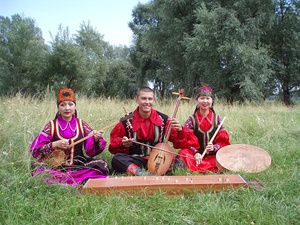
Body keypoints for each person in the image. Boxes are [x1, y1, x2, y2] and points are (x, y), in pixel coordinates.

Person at [109, 86, 199, 176]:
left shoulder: (163, 119)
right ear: (137, 100)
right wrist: (122, 143)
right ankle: (141, 173)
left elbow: (179, 143)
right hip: (136, 159)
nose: (147, 102)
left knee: (179, 163)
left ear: (154, 101)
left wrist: (180, 130)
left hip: (159, 159)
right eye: (143, 98)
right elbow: (113, 146)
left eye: (150, 99)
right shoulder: (126, 121)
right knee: (117, 159)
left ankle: (152, 171)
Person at [30, 88, 109, 186]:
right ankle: (78, 181)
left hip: (79, 164)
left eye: (70, 104)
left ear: (75, 106)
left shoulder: (81, 124)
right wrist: (54, 144)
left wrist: (96, 139)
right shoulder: (51, 126)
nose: (67, 108)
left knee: (101, 165)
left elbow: (90, 151)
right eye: (62, 105)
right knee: (38, 168)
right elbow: (36, 151)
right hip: (56, 166)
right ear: (58, 107)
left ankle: (63, 182)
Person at [177, 84, 230, 173]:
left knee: (227, 155)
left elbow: (223, 142)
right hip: (196, 156)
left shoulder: (217, 119)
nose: (205, 101)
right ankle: (208, 167)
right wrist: (196, 153)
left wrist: (214, 147)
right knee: (183, 154)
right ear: (196, 100)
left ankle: (199, 167)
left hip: (213, 156)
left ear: (212, 100)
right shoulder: (191, 120)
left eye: (208, 98)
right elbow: (187, 142)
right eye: (202, 98)